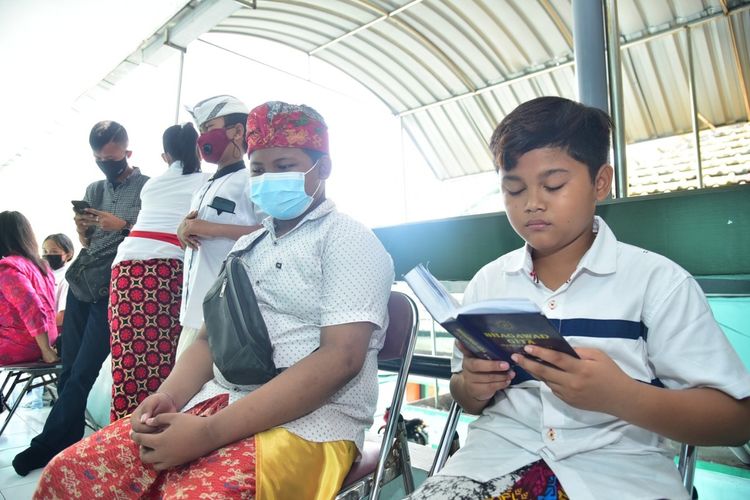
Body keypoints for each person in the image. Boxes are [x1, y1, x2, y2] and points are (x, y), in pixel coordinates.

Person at [35, 101, 395, 499]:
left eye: (285, 165)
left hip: (311, 424)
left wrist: (208, 434)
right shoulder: (248, 245)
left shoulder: (348, 240)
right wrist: (168, 396)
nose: (268, 177)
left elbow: (340, 359)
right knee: (68, 472)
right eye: (258, 169)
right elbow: (209, 339)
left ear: (322, 169)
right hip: (216, 403)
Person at [408, 96, 750, 500]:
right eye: (513, 189)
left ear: (600, 182)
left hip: (618, 474)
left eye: (554, 185)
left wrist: (623, 396)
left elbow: (735, 420)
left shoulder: (657, 283)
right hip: (491, 463)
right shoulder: (489, 283)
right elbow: (466, 397)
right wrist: (472, 385)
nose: (532, 202)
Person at [13, 121, 149, 476]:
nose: (107, 165)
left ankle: (45, 444)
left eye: (113, 160)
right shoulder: (93, 188)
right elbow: (88, 244)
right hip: (81, 282)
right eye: (100, 160)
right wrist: (84, 230)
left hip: (117, 286)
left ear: (128, 153)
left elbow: (153, 238)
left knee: (84, 371)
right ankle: (68, 439)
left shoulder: (147, 188)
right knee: (69, 367)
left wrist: (119, 224)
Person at [108, 123, 210, 421]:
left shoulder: (153, 184)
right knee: (166, 359)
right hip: (165, 270)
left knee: (128, 360)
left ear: (165, 156)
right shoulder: (205, 182)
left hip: (126, 270)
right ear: (200, 149)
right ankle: (155, 428)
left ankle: (123, 433)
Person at [174, 95, 263, 358]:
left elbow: (272, 234)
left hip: (228, 312)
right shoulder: (202, 187)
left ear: (238, 131)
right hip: (192, 311)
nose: (203, 137)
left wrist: (212, 228)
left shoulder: (250, 180)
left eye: (209, 128)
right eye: (201, 131)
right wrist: (183, 231)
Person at [0, 211, 59, 366]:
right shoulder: (41, 266)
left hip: (22, 344)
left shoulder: (8, 268)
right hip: (46, 340)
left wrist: (46, 350)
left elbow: (32, 307)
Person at [41, 233, 75, 334]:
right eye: (45, 251)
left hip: (54, 330)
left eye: (54, 251)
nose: (48, 255)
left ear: (68, 255)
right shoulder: (43, 273)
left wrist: (38, 327)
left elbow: (63, 315)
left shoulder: (67, 277)